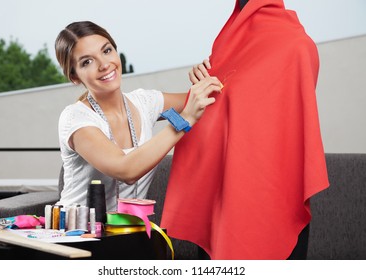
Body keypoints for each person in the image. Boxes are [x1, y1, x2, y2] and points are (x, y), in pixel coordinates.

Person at [161, 0, 330, 260]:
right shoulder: (228, 44)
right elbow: (219, 109)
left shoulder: (296, 46)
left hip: (270, 199)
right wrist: (203, 85)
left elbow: (285, 128)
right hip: (220, 197)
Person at [54, 21, 222, 211]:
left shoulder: (144, 102)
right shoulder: (75, 117)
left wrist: (207, 75)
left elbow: (211, 99)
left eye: (107, 51)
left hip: (129, 233)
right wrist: (184, 120)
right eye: (87, 62)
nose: (104, 64)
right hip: (76, 235)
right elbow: (126, 169)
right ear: (75, 77)